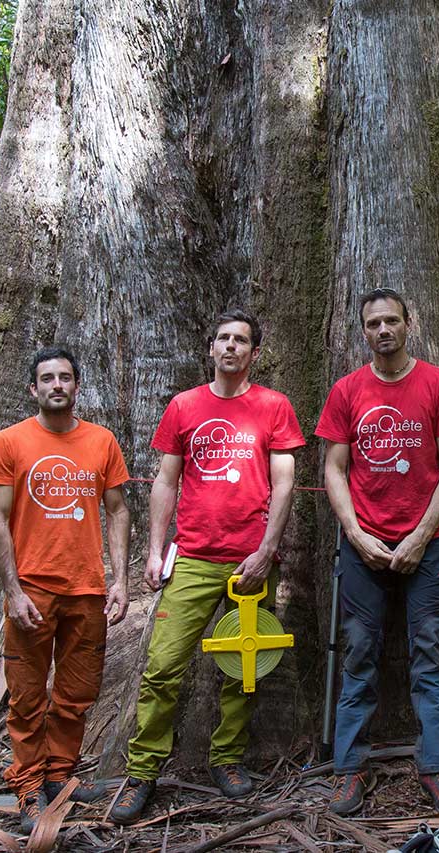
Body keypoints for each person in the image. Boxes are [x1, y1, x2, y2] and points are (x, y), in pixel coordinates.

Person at [108, 310, 306, 825]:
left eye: (241, 340)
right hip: (193, 558)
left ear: (254, 353)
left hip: (252, 562)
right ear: (210, 347)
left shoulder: (273, 406)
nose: (231, 347)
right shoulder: (184, 406)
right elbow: (165, 483)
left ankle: (227, 758)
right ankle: (143, 770)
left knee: (246, 666)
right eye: (223, 338)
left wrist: (267, 550)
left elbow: (284, 482)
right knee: (162, 666)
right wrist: (154, 550)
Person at [315, 288, 439, 816]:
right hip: (364, 546)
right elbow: (333, 469)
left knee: (429, 654)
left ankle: (436, 767)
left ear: (409, 324)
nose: (382, 330)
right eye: (372, 324)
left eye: (391, 321)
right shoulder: (346, 391)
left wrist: (419, 536)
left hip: (429, 546)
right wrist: (358, 535)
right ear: (362, 331)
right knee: (358, 655)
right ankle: (348, 770)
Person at [0, 345, 131, 835]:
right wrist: (13, 590)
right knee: (26, 698)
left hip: (87, 589)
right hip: (32, 591)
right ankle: (27, 785)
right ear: (34, 388)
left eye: (65, 377)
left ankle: (60, 776)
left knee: (76, 694)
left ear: (77, 385)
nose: (57, 385)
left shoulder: (102, 441)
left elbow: (119, 510)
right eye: (48, 379)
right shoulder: (10, 441)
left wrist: (121, 580)